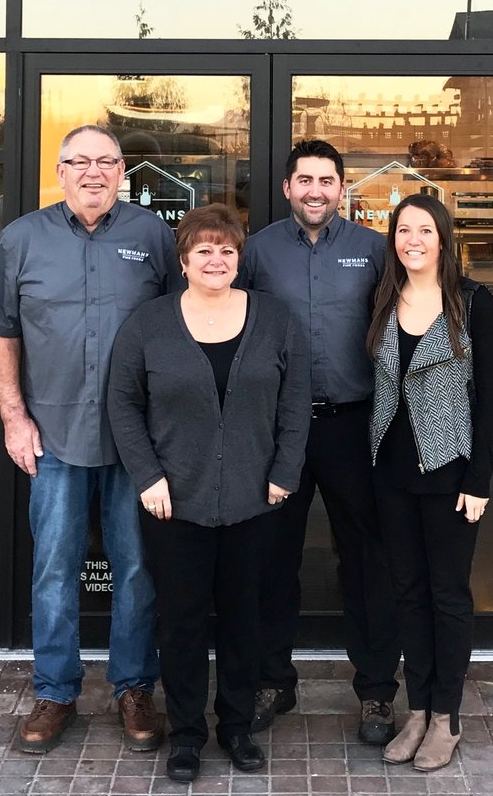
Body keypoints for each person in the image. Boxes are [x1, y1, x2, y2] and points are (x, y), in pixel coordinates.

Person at [0, 124, 179, 755]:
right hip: (53, 435)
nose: (94, 172)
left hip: (135, 440)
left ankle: (134, 687)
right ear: (59, 172)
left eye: (107, 162)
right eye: (80, 162)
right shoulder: (22, 238)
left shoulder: (153, 237)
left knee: (137, 569)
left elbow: (183, 322)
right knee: (54, 568)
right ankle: (55, 692)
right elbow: (1, 331)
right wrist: (14, 417)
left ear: (123, 172)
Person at [108, 204, 310, 784]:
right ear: (184, 260)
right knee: (182, 623)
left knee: (246, 619)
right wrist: (148, 477)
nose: (216, 260)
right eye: (204, 251)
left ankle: (237, 727)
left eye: (226, 250)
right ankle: (188, 734)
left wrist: (284, 472)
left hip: (255, 497)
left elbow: (296, 403)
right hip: (175, 501)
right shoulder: (148, 324)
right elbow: (124, 405)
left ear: (239, 258)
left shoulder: (274, 320)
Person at [238, 139, 401, 745]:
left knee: (365, 558)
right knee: (271, 559)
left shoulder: (373, 251)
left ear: (342, 188)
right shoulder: (256, 252)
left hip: (353, 427)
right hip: (279, 428)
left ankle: (378, 691)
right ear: (287, 187)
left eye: (326, 181)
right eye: (304, 180)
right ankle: (272, 681)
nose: (314, 191)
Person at [367, 193, 493, 772]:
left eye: (424, 230)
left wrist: (479, 481)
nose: (412, 240)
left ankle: (447, 715)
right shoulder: (381, 298)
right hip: (391, 471)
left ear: (443, 238)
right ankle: (417, 708)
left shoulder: (474, 303)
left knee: (447, 596)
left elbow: (492, 399)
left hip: (449, 472)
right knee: (407, 594)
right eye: (403, 230)